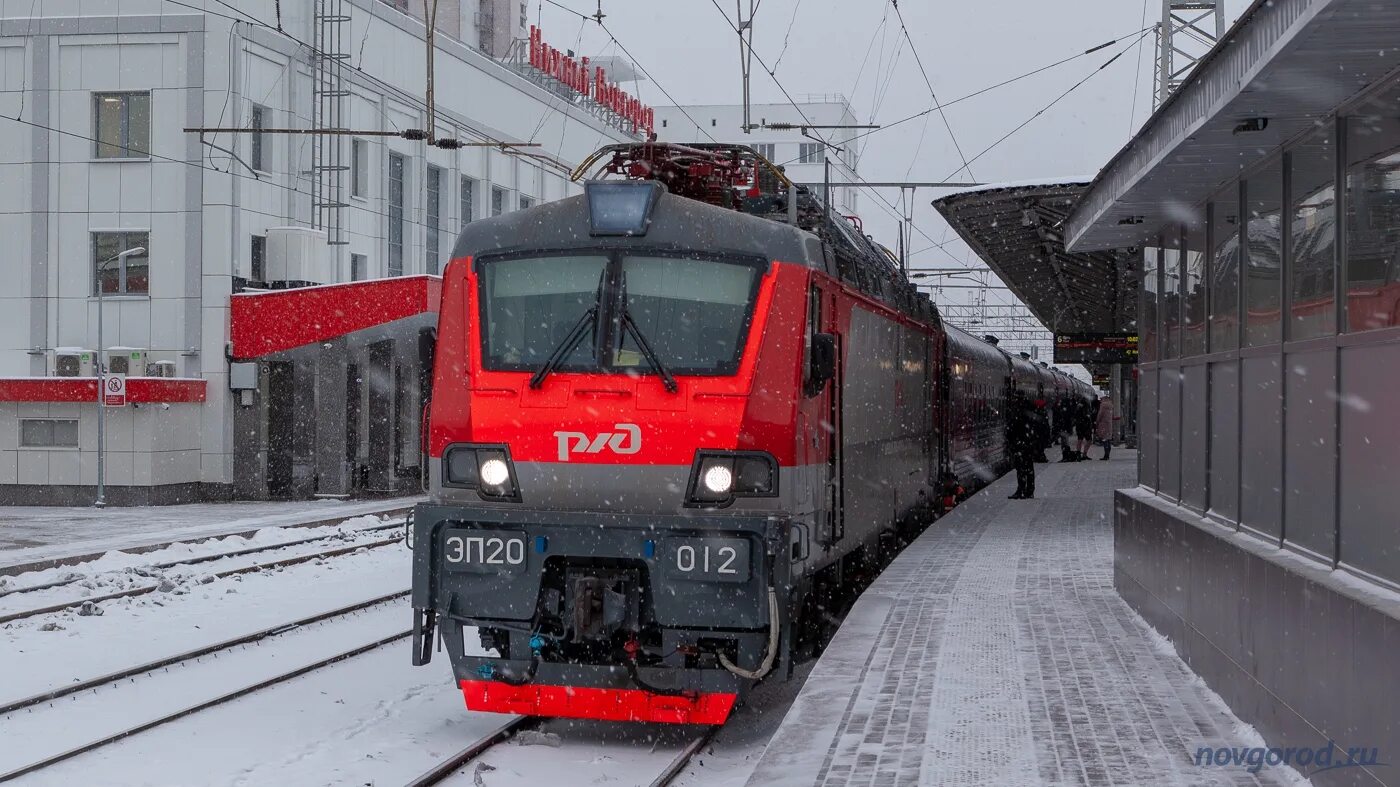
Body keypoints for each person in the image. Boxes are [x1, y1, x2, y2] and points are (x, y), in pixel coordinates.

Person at [1008, 394, 1039, 499]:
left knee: (1021, 468)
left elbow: (1013, 429)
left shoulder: (1018, 413)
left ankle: (1021, 490)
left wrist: (1012, 441)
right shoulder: (1030, 412)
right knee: (1029, 468)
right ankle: (1029, 491)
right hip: (1028, 445)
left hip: (1021, 445)